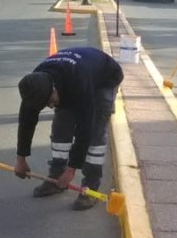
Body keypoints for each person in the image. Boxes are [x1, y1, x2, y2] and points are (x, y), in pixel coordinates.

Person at [15, 47, 124, 210]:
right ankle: (57, 176)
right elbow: (26, 123)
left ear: (53, 88)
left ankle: (91, 185)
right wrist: (21, 159)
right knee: (60, 127)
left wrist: (72, 169)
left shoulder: (79, 81)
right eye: (46, 105)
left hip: (105, 77)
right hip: (72, 79)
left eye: (51, 101)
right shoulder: (34, 85)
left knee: (95, 132)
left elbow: (84, 128)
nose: (51, 106)